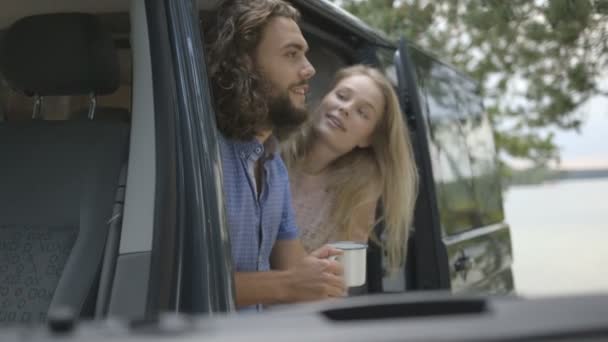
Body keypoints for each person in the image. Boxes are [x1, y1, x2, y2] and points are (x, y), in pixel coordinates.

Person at [203, 0, 344, 309]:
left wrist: (319, 275)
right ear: (244, 63)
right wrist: (289, 284)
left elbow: (293, 270)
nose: (310, 69)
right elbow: (186, 284)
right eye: (292, 54)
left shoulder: (273, 165)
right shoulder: (204, 158)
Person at [284, 65, 419, 272]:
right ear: (324, 98)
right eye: (342, 95)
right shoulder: (270, 151)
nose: (345, 108)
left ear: (368, 138)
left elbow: (340, 284)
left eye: (362, 113)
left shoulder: (358, 197)